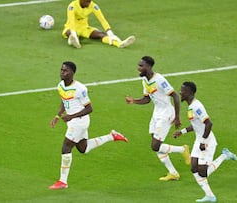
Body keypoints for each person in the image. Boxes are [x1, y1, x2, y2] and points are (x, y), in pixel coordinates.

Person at [49, 61, 129, 190]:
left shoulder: (80, 88)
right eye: (61, 70)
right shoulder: (60, 86)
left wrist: (71, 116)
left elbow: (89, 108)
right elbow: (64, 100)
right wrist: (58, 115)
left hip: (80, 121)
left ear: (72, 73)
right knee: (83, 149)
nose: (62, 73)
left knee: (66, 147)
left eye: (65, 71)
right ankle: (111, 136)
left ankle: (63, 181)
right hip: (73, 121)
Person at [125, 56, 191, 181]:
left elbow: (175, 96)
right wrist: (133, 101)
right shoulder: (145, 80)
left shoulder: (159, 80)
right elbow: (147, 99)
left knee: (155, 146)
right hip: (157, 113)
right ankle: (173, 173)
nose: (138, 68)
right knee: (156, 143)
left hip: (166, 113)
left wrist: (177, 117)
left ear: (149, 67)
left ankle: (182, 149)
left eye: (141, 66)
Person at [173, 81, 237, 202]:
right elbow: (197, 125)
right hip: (200, 139)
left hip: (207, 141)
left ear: (190, 92)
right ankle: (209, 196)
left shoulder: (197, 106)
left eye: (183, 90)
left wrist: (203, 142)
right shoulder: (190, 106)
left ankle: (225, 155)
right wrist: (182, 132)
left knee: (203, 172)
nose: (180, 92)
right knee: (193, 168)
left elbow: (209, 124)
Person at [62, 0, 135, 49]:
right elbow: (71, 21)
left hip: (84, 28)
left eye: (89, 1)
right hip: (71, 27)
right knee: (69, 33)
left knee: (101, 34)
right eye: (87, 1)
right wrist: (74, 33)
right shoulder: (72, 6)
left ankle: (120, 44)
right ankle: (73, 39)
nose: (89, 3)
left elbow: (102, 19)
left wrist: (110, 33)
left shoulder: (93, 6)